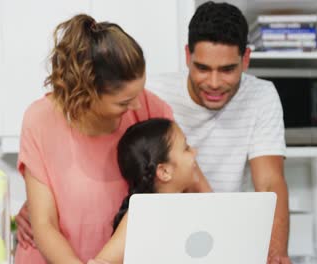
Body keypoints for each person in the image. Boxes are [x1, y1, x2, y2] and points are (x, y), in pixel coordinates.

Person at [15, 13, 211, 264]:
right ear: (85, 93)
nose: (138, 105)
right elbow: (44, 224)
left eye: (140, 92)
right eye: (124, 102)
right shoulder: (40, 120)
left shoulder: (150, 107)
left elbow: (195, 185)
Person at [146, 2, 290, 263]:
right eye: (202, 68)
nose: (213, 83)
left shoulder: (262, 95)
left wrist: (276, 253)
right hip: (164, 234)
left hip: (230, 235)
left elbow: (269, 183)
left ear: (245, 59)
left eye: (227, 70)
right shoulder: (155, 93)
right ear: (187, 56)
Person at [87, 118, 200, 264]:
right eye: (186, 148)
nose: (195, 152)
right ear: (164, 171)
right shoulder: (143, 214)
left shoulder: (191, 205)